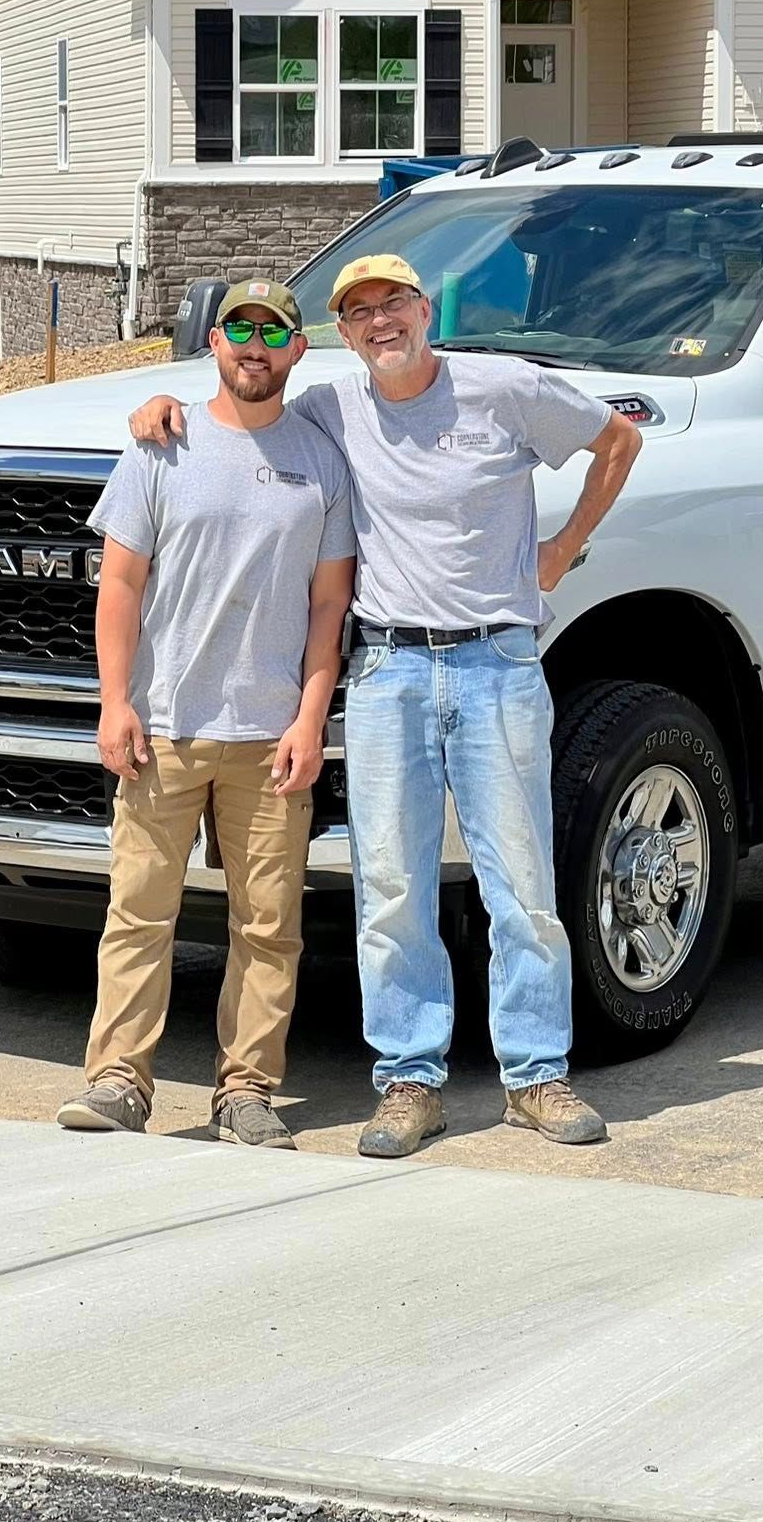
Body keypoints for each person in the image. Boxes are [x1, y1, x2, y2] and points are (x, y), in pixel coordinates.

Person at [129, 253, 642, 1158]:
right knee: (392, 889)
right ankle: (410, 1081)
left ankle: (535, 1077)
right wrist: (153, 411)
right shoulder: (335, 408)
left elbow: (619, 441)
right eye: (357, 311)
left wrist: (562, 549)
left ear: (424, 309)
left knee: (522, 885)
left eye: (393, 303)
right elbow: (244, 418)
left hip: (497, 663)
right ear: (343, 332)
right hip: (386, 674)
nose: (378, 322)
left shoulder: (507, 388)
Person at [57, 278, 355, 1148]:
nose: (254, 344)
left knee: (268, 927)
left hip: (270, 740)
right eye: (238, 328)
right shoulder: (160, 446)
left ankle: (248, 1092)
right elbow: (119, 585)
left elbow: (328, 608)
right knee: (139, 913)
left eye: (273, 331)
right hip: (165, 729)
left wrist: (310, 721)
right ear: (213, 344)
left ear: (298, 350)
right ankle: (118, 1081)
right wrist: (115, 703)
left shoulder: (321, 460)